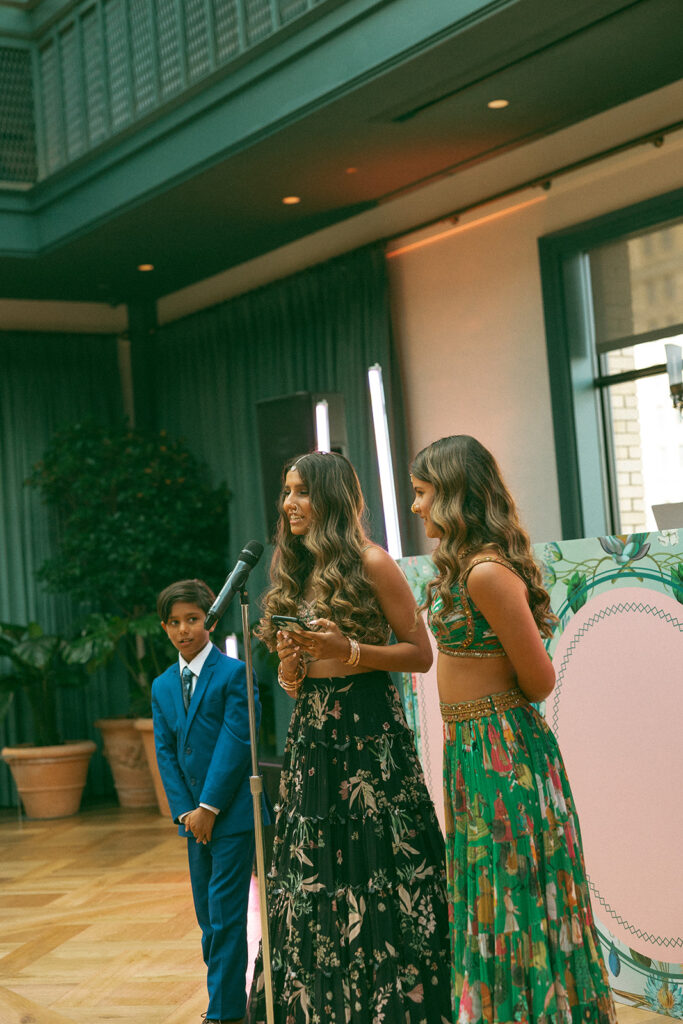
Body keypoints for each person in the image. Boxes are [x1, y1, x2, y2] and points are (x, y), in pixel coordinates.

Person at [409, 435, 617, 1024]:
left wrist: (491, 713)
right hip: (470, 754)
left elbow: (541, 679)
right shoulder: (459, 569)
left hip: (504, 756)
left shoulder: (486, 574)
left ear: (452, 495)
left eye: (423, 494)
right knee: (489, 894)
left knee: (514, 897)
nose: (418, 506)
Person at [246, 451, 452, 1024]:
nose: (289, 504)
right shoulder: (293, 570)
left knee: (379, 868)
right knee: (314, 875)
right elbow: (295, 682)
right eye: (286, 492)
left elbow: (420, 655)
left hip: (368, 737)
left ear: (332, 498)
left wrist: (349, 651)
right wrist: (292, 665)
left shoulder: (372, 562)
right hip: (312, 738)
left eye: (302, 492)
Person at [153, 578, 268, 1024]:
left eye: (194, 620)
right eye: (176, 623)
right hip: (193, 823)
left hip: (230, 817)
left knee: (224, 916)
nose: (185, 630)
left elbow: (237, 740)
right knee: (207, 919)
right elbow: (165, 751)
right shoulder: (163, 686)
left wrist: (209, 807)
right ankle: (225, 1003)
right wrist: (186, 812)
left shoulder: (233, 674)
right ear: (164, 627)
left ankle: (223, 1014)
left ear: (210, 621)